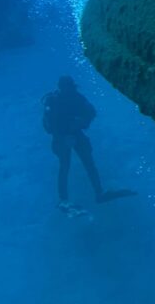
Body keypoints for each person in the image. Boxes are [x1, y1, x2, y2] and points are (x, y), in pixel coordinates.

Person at [42, 75, 134, 213]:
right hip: (60, 137)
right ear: (61, 88)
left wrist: (82, 122)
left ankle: (99, 193)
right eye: (66, 88)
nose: (69, 91)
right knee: (65, 165)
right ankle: (63, 199)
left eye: (70, 88)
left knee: (88, 163)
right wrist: (64, 136)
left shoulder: (76, 97)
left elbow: (91, 112)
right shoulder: (52, 100)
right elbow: (49, 125)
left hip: (75, 133)